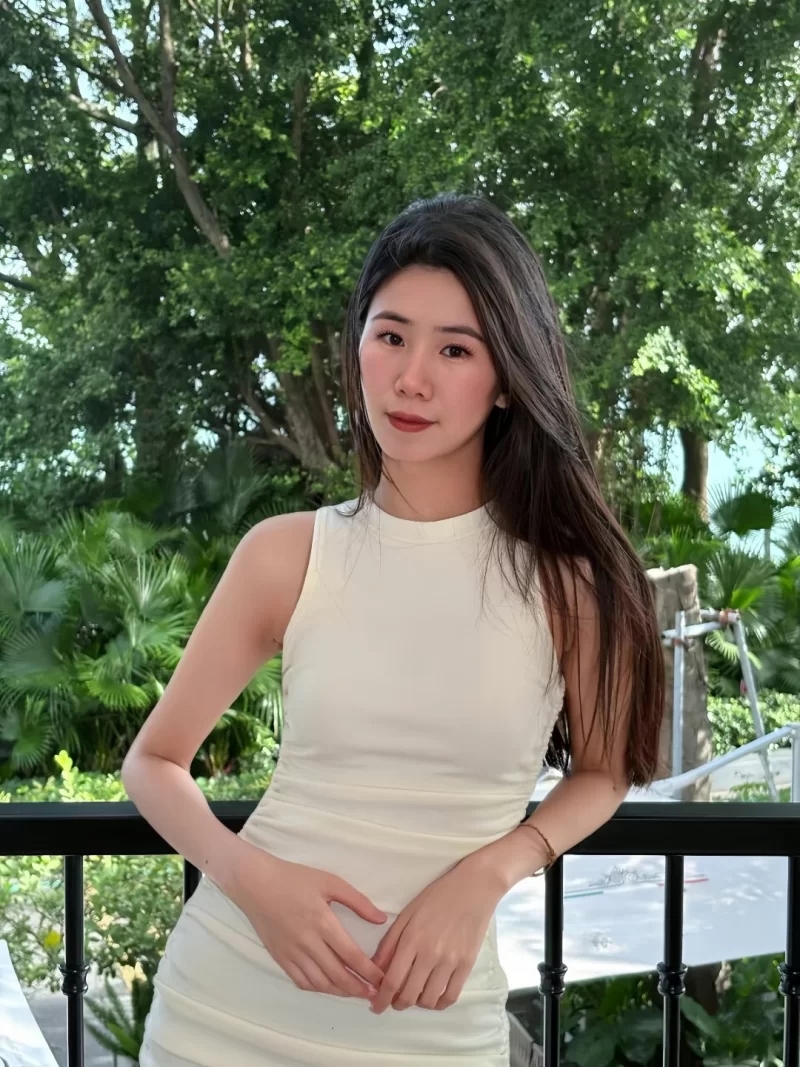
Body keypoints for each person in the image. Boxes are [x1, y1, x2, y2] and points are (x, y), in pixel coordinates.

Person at [128, 192, 665, 1066]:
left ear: (506, 380)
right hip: (223, 1009)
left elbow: (603, 772)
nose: (412, 378)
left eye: (455, 349)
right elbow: (152, 762)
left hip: (433, 1026)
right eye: (390, 336)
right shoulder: (287, 554)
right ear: (358, 348)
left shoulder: (568, 584)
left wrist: (490, 871)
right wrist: (254, 881)